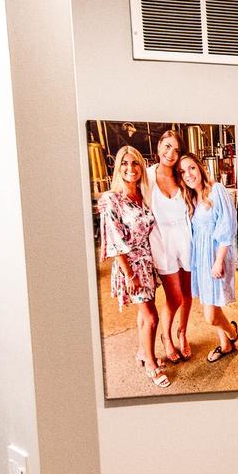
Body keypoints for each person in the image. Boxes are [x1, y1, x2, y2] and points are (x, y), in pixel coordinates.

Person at [97, 145, 168, 388]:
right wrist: (129, 274)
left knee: (143, 314)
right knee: (151, 317)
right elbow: (115, 240)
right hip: (130, 266)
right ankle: (150, 363)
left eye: (135, 163)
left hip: (146, 262)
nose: (131, 168)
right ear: (118, 168)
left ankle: (142, 352)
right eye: (125, 164)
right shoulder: (111, 200)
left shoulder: (142, 195)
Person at [178, 154, 238, 362]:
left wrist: (218, 260)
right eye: (183, 172)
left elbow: (227, 226)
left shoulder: (216, 190)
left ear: (200, 168)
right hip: (201, 260)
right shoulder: (192, 198)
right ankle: (225, 346)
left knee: (210, 316)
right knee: (214, 305)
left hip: (216, 258)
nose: (188, 174)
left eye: (191, 168)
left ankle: (232, 335)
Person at [144, 128, 195, 365]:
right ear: (159, 146)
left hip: (186, 240)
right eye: (167, 146)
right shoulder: (146, 175)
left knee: (187, 293)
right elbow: (125, 193)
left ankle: (182, 333)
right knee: (174, 297)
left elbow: (201, 187)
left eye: (176, 149)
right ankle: (166, 336)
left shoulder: (181, 175)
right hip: (162, 243)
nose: (171, 153)